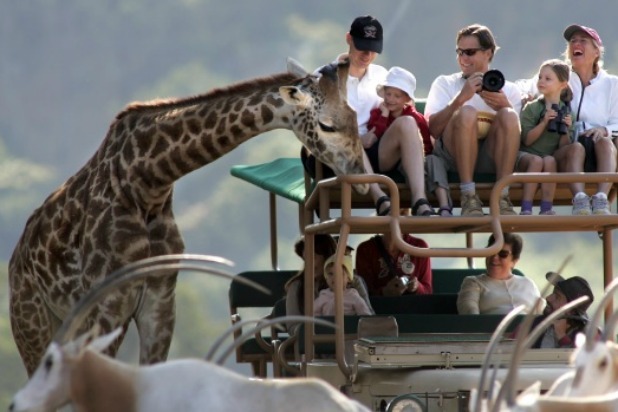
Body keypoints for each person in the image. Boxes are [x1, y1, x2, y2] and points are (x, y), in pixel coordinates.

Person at [302, 15, 433, 216]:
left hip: (377, 150)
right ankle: (379, 198)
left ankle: (420, 200)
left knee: (407, 122)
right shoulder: (323, 77)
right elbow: (314, 129)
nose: (367, 54)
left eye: (373, 49)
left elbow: (406, 107)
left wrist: (390, 114)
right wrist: (359, 139)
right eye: (362, 47)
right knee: (348, 133)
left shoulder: (383, 77)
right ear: (348, 39)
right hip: (337, 157)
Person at [425, 24, 523, 217]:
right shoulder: (445, 83)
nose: (463, 58)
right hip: (453, 156)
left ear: (488, 53)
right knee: (467, 112)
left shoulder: (509, 90)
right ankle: (468, 196)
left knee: (509, 115)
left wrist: (505, 106)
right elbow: (432, 130)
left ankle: (502, 196)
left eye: (469, 52)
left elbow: (519, 139)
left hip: (490, 157)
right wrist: (460, 99)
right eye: (459, 52)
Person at [555, 24, 618, 215]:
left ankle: (601, 199)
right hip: (568, 148)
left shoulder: (612, 84)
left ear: (596, 51)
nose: (576, 44)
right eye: (573, 41)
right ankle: (580, 201)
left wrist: (604, 130)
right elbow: (533, 86)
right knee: (576, 148)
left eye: (583, 41)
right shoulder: (559, 75)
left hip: (599, 150)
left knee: (606, 142)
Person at [517, 59, 574, 216]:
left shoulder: (567, 111)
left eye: (548, 79)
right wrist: (543, 122)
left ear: (563, 84)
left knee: (549, 160)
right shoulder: (532, 107)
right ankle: (526, 207)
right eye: (540, 77)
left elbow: (564, 147)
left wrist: (566, 129)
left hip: (549, 158)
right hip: (527, 156)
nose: (541, 81)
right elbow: (526, 140)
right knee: (537, 161)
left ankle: (546, 207)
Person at [457, 233, 544, 315]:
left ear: (514, 261)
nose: (494, 258)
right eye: (491, 251)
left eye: (503, 254)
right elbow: (469, 312)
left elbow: (542, 313)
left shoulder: (528, 283)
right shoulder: (474, 283)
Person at [355, 212, 432, 296]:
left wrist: (416, 287)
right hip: (379, 308)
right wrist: (385, 291)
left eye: (403, 213)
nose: (400, 217)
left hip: (414, 307)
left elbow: (428, 291)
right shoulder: (366, 249)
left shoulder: (420, 246)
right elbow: (363, 293)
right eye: (390, 211)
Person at [532, 273, 594, 348]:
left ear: (572, 311)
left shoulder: (589, 335)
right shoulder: (532, 324)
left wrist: (561, 336)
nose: (548, 298)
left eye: (557, 297)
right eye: (553, 293)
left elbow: (581, 358)